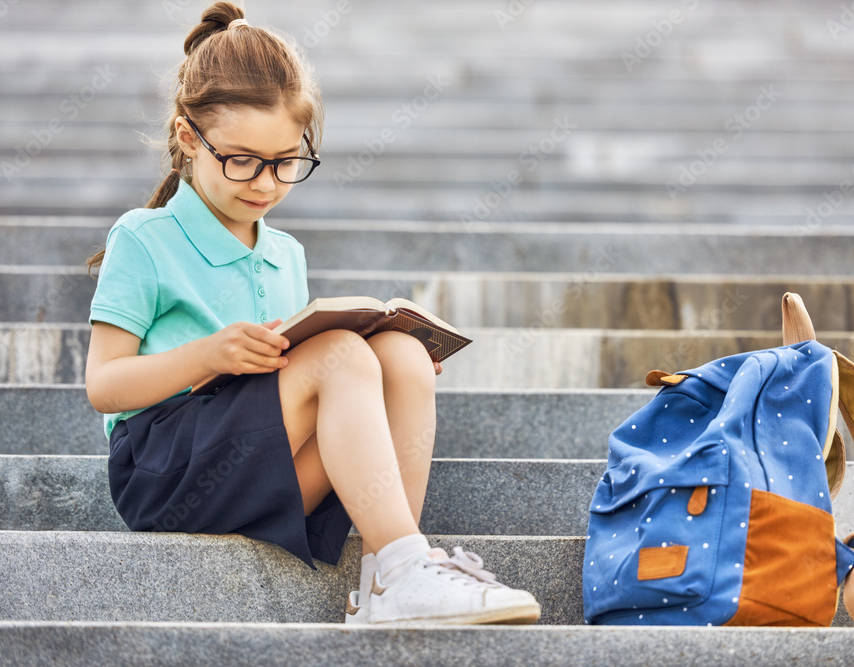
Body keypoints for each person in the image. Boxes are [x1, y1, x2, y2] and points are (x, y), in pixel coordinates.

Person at [84, 2, 540, 626]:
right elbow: (104, 387)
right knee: (341, 357)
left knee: (400, 356)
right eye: (241, 160)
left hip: (258, 465)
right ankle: (409, 568)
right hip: (167, 474)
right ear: (190, 140)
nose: (266, 183)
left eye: (286, 161)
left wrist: (385, 380)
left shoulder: (284, 253)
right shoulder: (145, 237)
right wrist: (207, 355)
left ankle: (388, 579)